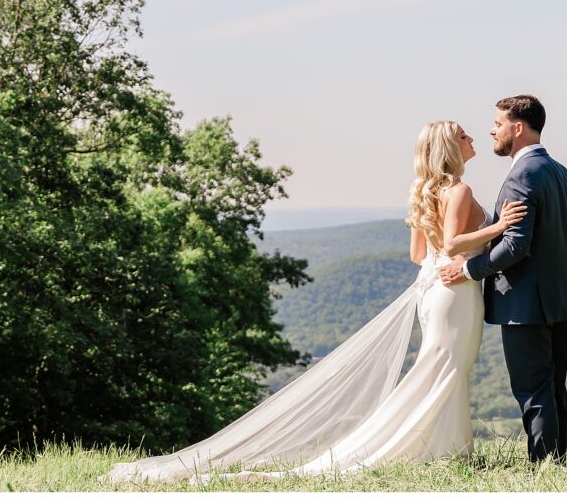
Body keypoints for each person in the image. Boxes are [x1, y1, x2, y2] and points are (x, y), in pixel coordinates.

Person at [103, 120, 525, 485]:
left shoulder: (424, 191)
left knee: (442, 368)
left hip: (433, 289)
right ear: (449, 147)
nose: (472, 137)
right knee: (447, 368)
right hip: (455, 290)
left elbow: (420, 254)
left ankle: (445, 447)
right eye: (463, 134)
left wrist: (450, 254)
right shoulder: (460, 189)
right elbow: (452, 242)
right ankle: (427, 447)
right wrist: (499, 227)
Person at [440, 95, 567, 464]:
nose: (492, 130)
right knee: (553, 389)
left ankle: (543, 469)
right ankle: (556, 465)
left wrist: (468, 269)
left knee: (533, 391)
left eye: (497, 124)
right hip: (563, 300)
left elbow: (517, 246)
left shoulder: (522, 174)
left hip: (526, 303)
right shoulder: (560, 171)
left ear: (517, 128)